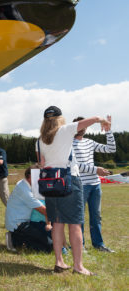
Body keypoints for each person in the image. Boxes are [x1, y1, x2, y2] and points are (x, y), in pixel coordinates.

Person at [37, 105, 110, 276]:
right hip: (69, 180)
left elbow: (41, 163)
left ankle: (59, 262)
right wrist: (101, 119)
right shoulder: (65, 130)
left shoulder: (41, 139)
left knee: (57, 222)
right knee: (75, 224)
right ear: (60, 118)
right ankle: (78, 266)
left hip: (50, 183)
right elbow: (88, 121)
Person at [72, 115, 116, 253]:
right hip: (80, 184)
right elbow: (75, 165)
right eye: (78, 125)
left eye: (83, 125)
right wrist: (96, 170)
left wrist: (108, 131)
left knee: (96, 216)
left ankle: (99, 244)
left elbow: (111, 149)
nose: (81, 128)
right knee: (80, 216)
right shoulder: (68, 144)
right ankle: (81, 245)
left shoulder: (90, 142)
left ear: (86, 127)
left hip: (95, 184)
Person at [5, 167, 52, 253]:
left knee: (49, 242)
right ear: (31, 176)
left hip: (24, 223)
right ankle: (14, 239)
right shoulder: (25, 190)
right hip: (19, 226)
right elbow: (44, 210)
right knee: (48, 247)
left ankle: (18, 239)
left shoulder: (24, 184)